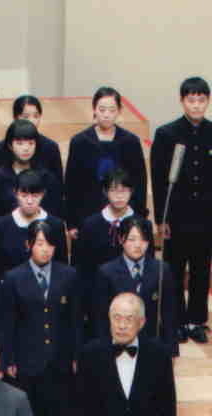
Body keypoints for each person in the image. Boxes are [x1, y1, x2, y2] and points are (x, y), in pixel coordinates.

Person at [0, 221, 81, 416]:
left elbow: (75, 320)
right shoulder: (14, 277)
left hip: (58, 356)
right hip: (26, 357)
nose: (45, 249)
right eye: (40, 243)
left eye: (50, 244)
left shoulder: (69, 275)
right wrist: (8, 358)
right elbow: (7, 323)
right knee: (29, 414)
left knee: (53, 414)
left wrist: (75, 355)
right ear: (29, 245)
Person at [151, 76, 212, 344]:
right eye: (191, 100)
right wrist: (161, 218)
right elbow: (158, 178)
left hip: (206, 216)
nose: (196, 105)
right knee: (174, 269)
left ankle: (196, 320)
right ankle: (174, 321)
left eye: (201, 100)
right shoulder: (167, 134)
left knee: (201, 269)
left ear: (208, 101)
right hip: (176, 215)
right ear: (182, 101)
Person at [64, 86, 148, 232]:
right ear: (94, 110)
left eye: (112, 110)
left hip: (124, 216)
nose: (106, 115)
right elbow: (72, 185)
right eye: (102, 110)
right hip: (87, 215)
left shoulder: (131, 141)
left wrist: (138, 216)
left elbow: (140, 182)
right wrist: (72, 222)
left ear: (119, 111)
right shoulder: (80, 142)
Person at [93, 217, 178, 356]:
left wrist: (172, 350)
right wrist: (103, 350)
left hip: (151, 344)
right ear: (121, 239)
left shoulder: (162, 269)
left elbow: (169, 313)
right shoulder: (106, 272)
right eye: (132, 239)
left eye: (143, 239)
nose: (138, 245)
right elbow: (100, 317)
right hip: (117, 344)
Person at [74, 167, 138, 331]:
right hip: (97, 296)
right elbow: (82, 267)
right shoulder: (90, 225)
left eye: (124, 191)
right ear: (105, 192)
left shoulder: (140, 224)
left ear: (131, 192)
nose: (119, 196)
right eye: (114, 190)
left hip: (130, 296)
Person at [0, 119, 64, 234]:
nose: (26, 148)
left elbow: (55, 217)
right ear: (10, 145)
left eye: (31, 143)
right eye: (20, 143)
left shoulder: (47, 178)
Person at [0, 169, 67, 278]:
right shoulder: (2, 225)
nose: (29, 201)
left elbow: (61, 266)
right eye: (24, 195)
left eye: (35, 195)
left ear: (43, 194)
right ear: (15, 193)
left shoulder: (55, 225)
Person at [0, 95, 64, 183]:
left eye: (36, 116)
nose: (32, 121)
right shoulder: (1, 148)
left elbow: (57, 183)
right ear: (15, 117)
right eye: (26, 116)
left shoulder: (51, 147)